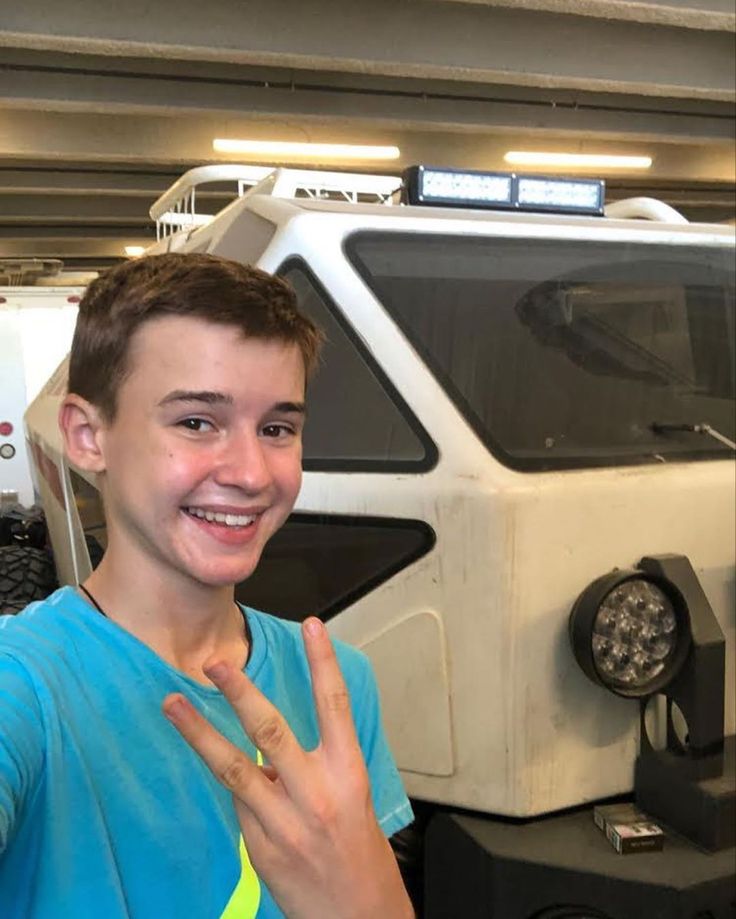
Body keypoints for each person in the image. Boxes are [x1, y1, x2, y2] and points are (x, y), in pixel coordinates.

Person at [0, 254, 415, 919]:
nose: (252, 472)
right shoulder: (23, 685)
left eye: (278, 428)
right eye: (197, 421)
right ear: (87, 435)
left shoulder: (338, 686)